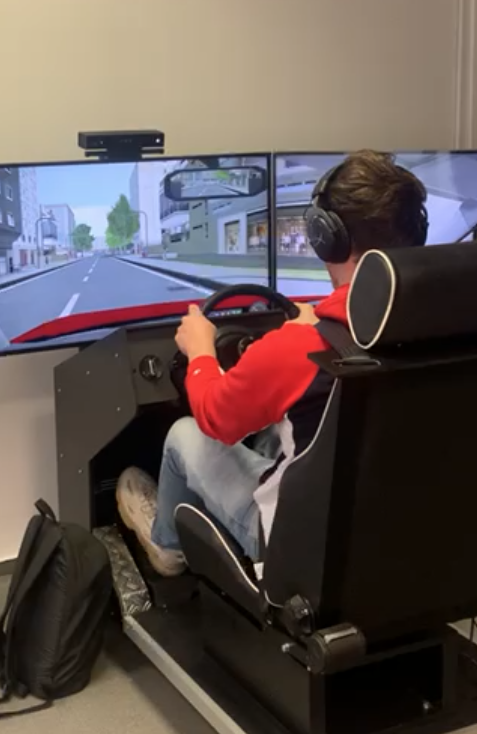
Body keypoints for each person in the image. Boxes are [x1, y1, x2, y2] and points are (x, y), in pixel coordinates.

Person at [117, 150, 429, 576]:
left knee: (184, 433)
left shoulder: (301, 346)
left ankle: (167, 547)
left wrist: (202, 352)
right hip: (414, 533)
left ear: (327, 237)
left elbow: (216, 417)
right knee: (279, 433)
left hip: (306, 548)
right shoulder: (454, 322)